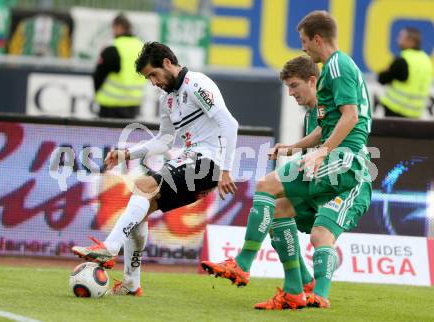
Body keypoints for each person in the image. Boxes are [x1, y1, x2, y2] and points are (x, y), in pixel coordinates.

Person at [201, 10, 372, 310]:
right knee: (279, 208)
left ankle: (243, 264)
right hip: (340, 156)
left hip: (348, 158)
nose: (304, 47)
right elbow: (327, 127)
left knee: (268, 185)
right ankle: (295, 289)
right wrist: (295, 147)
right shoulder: (333, 75)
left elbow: (351, 117)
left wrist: (322, 151)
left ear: (317, 39)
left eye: (305, 41)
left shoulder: (336, 66)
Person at [73, 41, 239, 296]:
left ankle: (109, 247)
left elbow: (229, 124)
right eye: (148, 78)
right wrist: (126, 154)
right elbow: (164, 140)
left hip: (208, 164)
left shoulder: (197, 84)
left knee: (143, 187)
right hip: (191, 161)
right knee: (140, 209)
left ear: (168, 63)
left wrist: (226, 169)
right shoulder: (168, 99)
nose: (153, 82)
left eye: (153, 74)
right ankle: (131, 284)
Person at [94, 14, 146, 119]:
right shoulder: (142, 48)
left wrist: (97, 93)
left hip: (111, 105)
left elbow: (98, 75)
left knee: (106, 135)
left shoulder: (112, 48)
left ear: (117, 27)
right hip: (133, 104)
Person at [378, 27, 432, 118]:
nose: (398, 40)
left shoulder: (403, 60)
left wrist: (385, 71)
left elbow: (382, 79)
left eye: (401, 37)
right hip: (415, 114)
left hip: (395, 111)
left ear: (410, 41)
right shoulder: (426, 60)